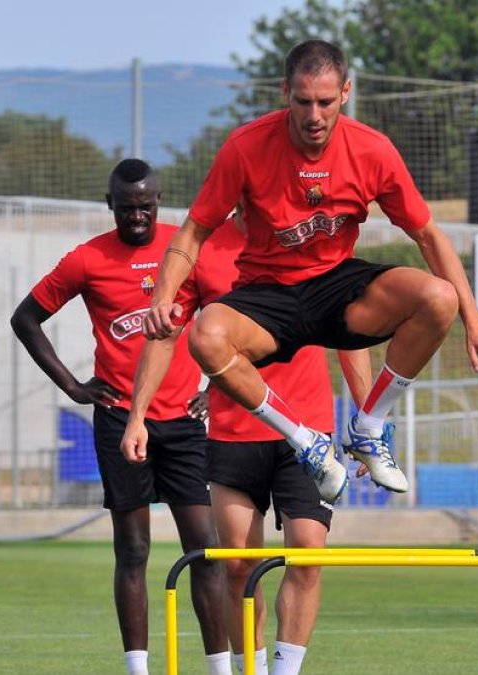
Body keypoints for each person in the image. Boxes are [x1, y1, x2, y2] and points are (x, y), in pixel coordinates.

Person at [137, 39, 478, 504]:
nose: (314, 115)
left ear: (346, 92)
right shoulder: (246, 147)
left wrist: (475, 326)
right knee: (205, 336)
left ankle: (370, 427)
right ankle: (305, 442)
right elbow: (192, 232)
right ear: (284, 92)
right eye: (303, 101)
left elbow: (430, 237)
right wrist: (162, 296)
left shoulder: (373, 151)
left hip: (335, 288)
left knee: (439, 298)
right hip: (267, 295)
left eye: (326, 102)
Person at [123, 214, 369, 675]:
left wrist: (364, 416)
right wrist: (137, 415)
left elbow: (351, 333)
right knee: (237, 565)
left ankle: (285, 670)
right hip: (234, 432)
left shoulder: (311, 243)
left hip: (308, 430)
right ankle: (248, 668)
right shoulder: (203, 249)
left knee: (307, 552)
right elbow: (165, 335)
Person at [10, 159, 230, 675]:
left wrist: (214, 387)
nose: (137, 216)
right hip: (119, 419)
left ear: (159, 203)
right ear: (110, 205)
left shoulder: (186, 249)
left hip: (182, 422)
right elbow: (25, 318)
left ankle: (221, 668)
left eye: (146, 206)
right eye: (127, 208)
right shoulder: (86, 260)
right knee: (132, 549)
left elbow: (232, 318)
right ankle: (138, 669)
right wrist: (72, 386)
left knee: (205, 547)